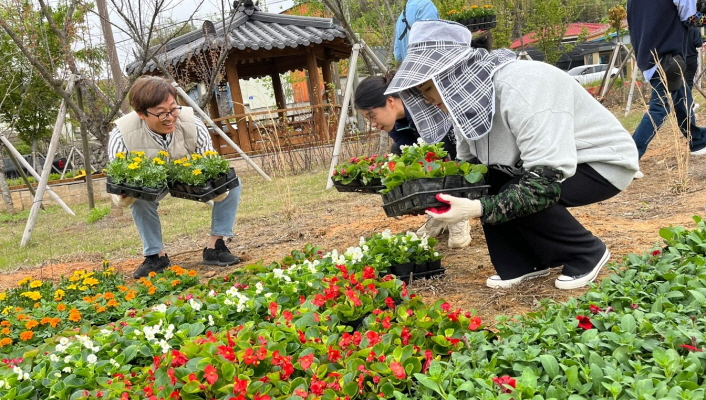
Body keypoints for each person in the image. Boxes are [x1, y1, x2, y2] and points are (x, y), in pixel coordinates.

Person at [385, 20, 639, 290]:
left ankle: (587, 253)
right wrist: (429, 196)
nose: (426, 100)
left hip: (598, 162)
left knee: (511, 190)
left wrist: (477, 207)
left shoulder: (522, 85)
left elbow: (544, 180)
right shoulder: (465, 105)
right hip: (532, 168)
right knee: (489, 183)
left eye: (427, 89)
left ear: (450, 76)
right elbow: (470, 170)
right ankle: (522, 262)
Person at [108, 76, 242, 279]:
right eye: (161, 113)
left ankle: (215, 245)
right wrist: (125, 191)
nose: (170, 117)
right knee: (138, 197)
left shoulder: (192, 123)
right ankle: (156, 256)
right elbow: (119, 174)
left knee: (230, 181)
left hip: (185, 173)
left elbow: (210, 160)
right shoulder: (122, 134)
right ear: (141, 114)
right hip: (149, 182)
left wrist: (211, 181)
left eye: (173, 109)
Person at [354, 72, 470, 249]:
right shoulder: (396, 121)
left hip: (458, 145)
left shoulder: (423, 107)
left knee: (444, 156)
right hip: (435, 149)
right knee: (404, 154)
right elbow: (413, 154)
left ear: (390, 102)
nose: (373, 124)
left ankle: (459, 215)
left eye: (372, 115)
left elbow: (448, 150)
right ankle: (438, 212)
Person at [627, 0, 706, 180]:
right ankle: (628, 159)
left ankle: (697, 141)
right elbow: (691, 18)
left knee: (682, 97)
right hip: (666, 56)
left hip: (646, 52)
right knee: (659, 108)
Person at [685, 26, 703, 96]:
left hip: (678, 58)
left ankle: (680, 102)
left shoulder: (677, 27)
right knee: (689, 81)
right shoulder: (694, 29)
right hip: (691, 57)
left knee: (678, 82)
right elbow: (698, 43)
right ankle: (688, 103)